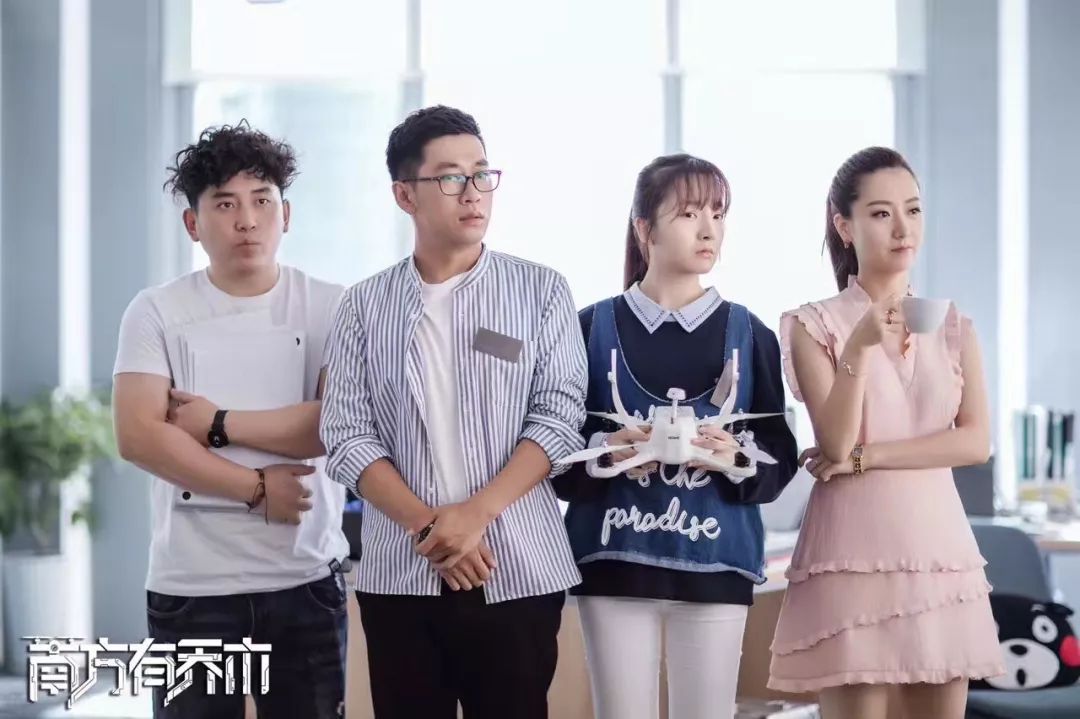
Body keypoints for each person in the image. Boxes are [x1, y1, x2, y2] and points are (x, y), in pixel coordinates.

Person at [319, 105, 587, 719]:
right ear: (404, 194)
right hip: (401, 572)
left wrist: (474, 516)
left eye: (482, 173)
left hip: (516, 564)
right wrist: (430, 528)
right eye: (449, 177)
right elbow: (346, 434)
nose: (473, 192)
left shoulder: (540, 290)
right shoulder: (363, 305)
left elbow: (559, 416)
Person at [113, 122, 349, 719]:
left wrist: (214, 423)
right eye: (225, 204)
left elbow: (333, 426)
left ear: (286, 215)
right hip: (193, 587)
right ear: (193, 224)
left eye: (262, 201)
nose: (247, 220)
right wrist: (256, 487)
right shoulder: (156, 310)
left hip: (305, 579)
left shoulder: (332, 305)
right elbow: (139, 435)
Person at [554, 154, 799, 719]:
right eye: (689, 214)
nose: (709, 229)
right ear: (644, 229)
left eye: (718, 214)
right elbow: (552, 455)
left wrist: (736, 457)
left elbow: (779, 458)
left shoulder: (750, 334)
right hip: (614, 563)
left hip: (717, 563)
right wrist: (607, 454)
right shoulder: (588, 328)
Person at [767, 146, 1005, 719]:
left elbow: (975, 442)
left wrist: (867, 457)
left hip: (939, 555)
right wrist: (859, 345)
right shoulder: (812, 325)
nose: (903, 228)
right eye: (881, 213)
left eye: (913, 210)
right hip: (851, 555)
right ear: (843, 225)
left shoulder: (954, 326)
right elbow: (834, 442)